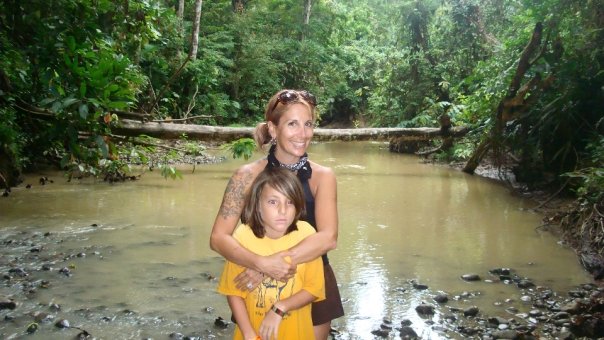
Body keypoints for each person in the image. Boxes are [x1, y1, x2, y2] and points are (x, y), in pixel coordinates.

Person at [210, 89, 344, 339]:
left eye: (308, 124)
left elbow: (329, 238)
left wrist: (272, 264)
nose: (303, 134)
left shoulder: (323, 177)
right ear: (273, 129)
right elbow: (218, 238)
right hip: (256, 285)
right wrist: (259, 263)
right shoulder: (246, 176)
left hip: (309, 281)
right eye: (292, 124)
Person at [217, 167, 325, 340]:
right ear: (258, 205)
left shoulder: (307, 235)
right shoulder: (243, 237)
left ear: (298, 206)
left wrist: (280, 308)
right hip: (253, 331)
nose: (282, 210)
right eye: (273, 202)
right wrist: (248, 334)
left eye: (289, 202)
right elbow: (233, 291)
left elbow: (313, 289)